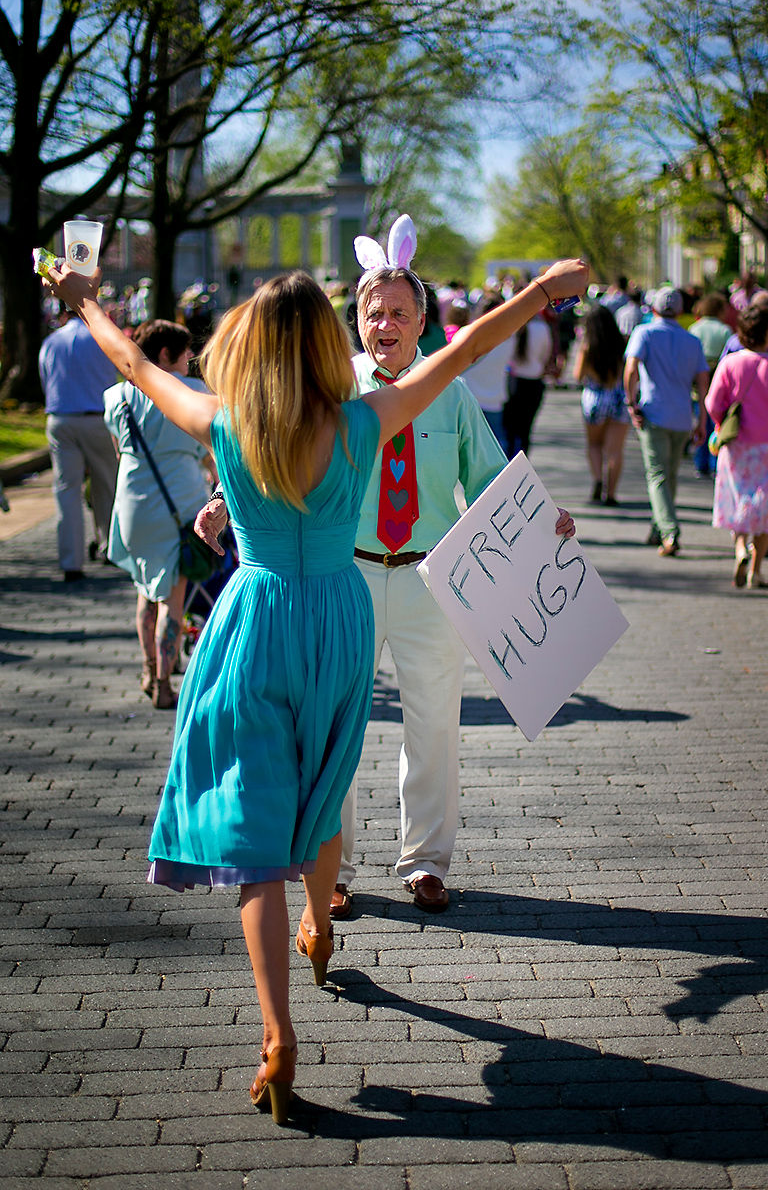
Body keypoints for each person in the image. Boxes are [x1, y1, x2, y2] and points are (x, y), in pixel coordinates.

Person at [44, 245, 588, 1124]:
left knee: (255, 825)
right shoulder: (364, 420)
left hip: (255, 623)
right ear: (332, 343)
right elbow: (467, 350)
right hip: (340, 619)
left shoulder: (223, 421)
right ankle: (324, 924)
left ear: (252, 344)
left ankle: (276, 1030)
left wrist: (83, 302)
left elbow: (132, 363)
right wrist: (539, 291)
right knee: (327, 780)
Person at [196, 218, 584, 922]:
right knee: (334, 727)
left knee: (434, 727)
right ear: (357, 322)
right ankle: (330, 869)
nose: (385, 324)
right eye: (373, 312)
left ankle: (426, 864)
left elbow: (494, 483)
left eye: (399, 312)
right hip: (343, 582)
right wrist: (224, 500)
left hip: (431, 581)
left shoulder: (452, 394)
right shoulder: (330, 389)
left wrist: (545, 520)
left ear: (421, 322)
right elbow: (272, 455)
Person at [103, 320, 214, 708]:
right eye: (186, 356)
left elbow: (120, 449)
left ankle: (149, 668)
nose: (189, 365)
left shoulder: (114, 397)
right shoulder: (194, 391)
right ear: (166, 355)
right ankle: (165, 684)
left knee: (144, 589)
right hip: (180, 502)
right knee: (173, 596)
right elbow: (207, 449)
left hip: (132, 503)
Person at [705, 304, 768, 589]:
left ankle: (739, 549)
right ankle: (756, 570)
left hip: (737, 445)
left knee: (740, 500)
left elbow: (712, 403)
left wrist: (720, 423)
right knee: (765, 508)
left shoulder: (730, 363)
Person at [623, 286, 710, 556]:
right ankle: (658, 528)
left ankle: (670, 531)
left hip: (654, 412)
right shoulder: (692, 341)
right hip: (682, 416)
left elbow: (631, 369)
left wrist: (630, 402)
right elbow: (703, 383)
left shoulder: (645, 333)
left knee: (658, 475)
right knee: (669, 476)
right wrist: (702, 420)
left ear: (654, 309)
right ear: (681, 311)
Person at [38, 305, 119, 581]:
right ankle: (111, 548)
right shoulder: (102, 337)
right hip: (98, 417)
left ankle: (71, 561)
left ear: (63, 315)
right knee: (107, 484)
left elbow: (45, 380)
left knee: (66, 490)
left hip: (61, 418)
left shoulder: (51, 341)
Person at [572, 305, 629, 505]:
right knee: (615, 450)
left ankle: (597, 479)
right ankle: (611, 493)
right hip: (618, 397)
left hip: (595, 398)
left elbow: (577, 375)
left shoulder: (588, 345)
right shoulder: (622, 343)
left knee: (594, 444)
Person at [689, 293, 733, 478]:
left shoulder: (694, 328)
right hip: (718, 383)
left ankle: (701, 463)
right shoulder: (725, 330)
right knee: (717, 424)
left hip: (697, 383)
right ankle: (716, 462)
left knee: (701, 422)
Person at [502, 298, 554, 458]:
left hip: (514, 382)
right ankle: (522, 465)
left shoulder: (514, 328)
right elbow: (546, 354)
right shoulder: (542, 328)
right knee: (526, 430)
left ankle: (507, 464)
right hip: (534, 383)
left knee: (510, 430)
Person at [458, 293, 510, 450]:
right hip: (495, 399)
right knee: (497, 449)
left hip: (470, 398)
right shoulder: (509, 337)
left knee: (470, 449)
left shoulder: (469, 335)